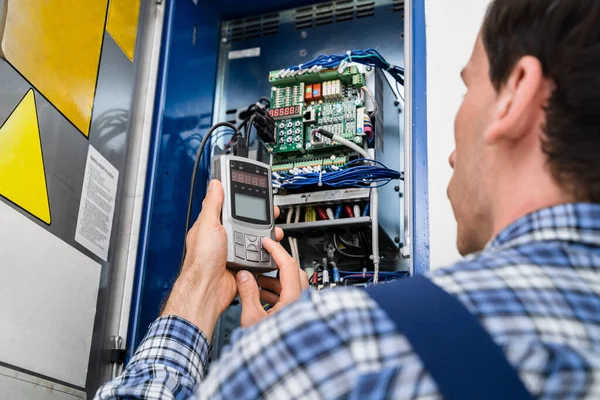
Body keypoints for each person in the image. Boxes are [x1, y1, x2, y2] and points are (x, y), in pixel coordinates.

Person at [96, 0, 600, 398]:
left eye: (467, 89)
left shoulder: (336, 348)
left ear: (516, 93)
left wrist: (202, 296)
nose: (450, 155)